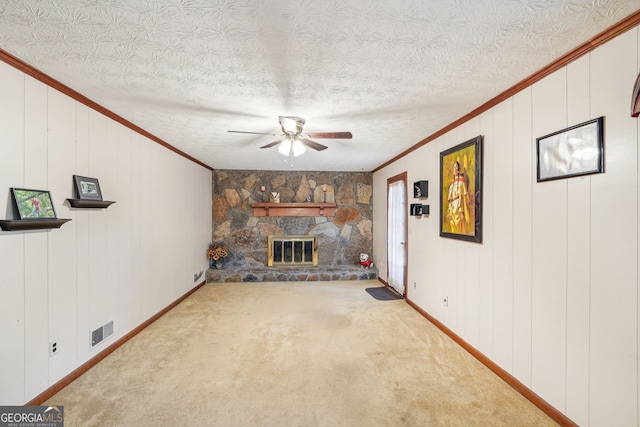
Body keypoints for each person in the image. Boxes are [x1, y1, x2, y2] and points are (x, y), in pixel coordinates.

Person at [446, 161, 471, 234]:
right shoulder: (452, 183)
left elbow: (462, 198)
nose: (454, 169)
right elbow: (450, 199)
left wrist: (461, 212)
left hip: (458, 207)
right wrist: (449, 210)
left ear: (458, 170)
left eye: (455, 167)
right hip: (452, 207)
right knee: (452, 226)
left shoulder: (461, 182)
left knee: (459, 227)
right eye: (453, 167)